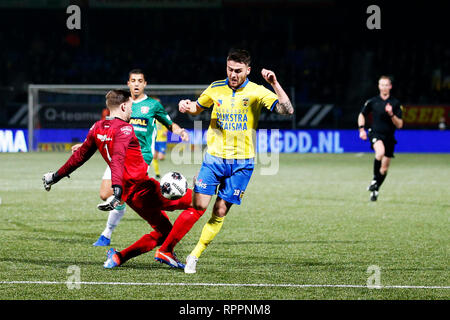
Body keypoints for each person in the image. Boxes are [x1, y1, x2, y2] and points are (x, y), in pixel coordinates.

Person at [42, 90, 202, 269]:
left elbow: (79, 157)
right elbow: (118, 158)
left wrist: (54, 177)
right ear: (124, 106)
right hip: (143, 189)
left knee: (165, 232)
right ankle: (165, 251)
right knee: (199, 203)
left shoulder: (97, 127)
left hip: (131, 195)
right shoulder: (125, 128)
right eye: (131, 108)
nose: (132, 113)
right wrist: (116, 190)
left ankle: (119, 257)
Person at [178, 48, 294, 274]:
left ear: (248, 70)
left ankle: (194, 255)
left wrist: (275, 84)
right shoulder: (215, 88)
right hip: (214, 158)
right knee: (199, 205)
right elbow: (197, 108)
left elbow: (286, 110)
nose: (233, 74)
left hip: (242, 163)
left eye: (238, 71)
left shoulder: (257, 91)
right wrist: (186, 106)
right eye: (230, 69)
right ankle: (197, 185)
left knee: (219, 211)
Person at [73, 69, 189, 247]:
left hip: (140, 158)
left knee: (123, 193)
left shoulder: (152, 105)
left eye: (140, 81)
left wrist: (179, 131)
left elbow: (169, 123)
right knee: (105, 193)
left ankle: (106, 234)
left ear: (145, 84)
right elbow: (105, 128)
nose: (136, 84)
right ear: (128, 83)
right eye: (133, 80)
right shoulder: (122, 104)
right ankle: (127, 205)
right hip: (118, 155)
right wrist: (84, 145)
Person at [358, 75, 403, 201]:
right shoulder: (373, 101)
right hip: (376, 134)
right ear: (379, 86)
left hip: (389, 137)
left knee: (384, 169)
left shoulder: (395, 103)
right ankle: (374, 182)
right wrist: (362, 129)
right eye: (381, 84)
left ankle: (375, 188)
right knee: (380, 152)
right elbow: (361, 114)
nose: (384, 87)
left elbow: (399, 125)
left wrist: (391, 114)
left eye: (386, 85)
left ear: (390, 87)